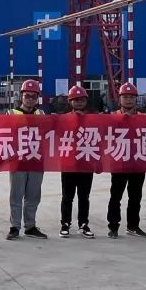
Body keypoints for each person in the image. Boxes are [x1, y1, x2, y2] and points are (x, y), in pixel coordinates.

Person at [107, 82, 146, 238]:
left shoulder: (144, 117)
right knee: (115, 196)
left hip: (138, 162)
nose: (129, 100)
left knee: (135, 197)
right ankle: (113, 227)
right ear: (120, 99)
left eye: (131, 97)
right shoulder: (112, 117)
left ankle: (133, 226)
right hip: (119, 162)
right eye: (125, 97)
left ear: (136, 99)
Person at [7, 79, 48, 241]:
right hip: (18, 161)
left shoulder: (42, 115)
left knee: (33, 196)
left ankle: (30, 226)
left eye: (33, 96)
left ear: (37, 98)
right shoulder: (11, 114)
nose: (30, 99)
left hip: (36, 160)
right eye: (27, 96)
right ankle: (14, 227)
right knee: (16, 196)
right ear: (21, 96)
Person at [59, 84, 95, 239]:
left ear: (86, 101)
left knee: (84, 196)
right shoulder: (63, 119)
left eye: (81, 100)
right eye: (76, 100)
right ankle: (65, 223)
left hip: (86, 163)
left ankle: (83, 224)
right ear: (70, 102)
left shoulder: (93, 119)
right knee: (67, 196)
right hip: (69, 163)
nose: (79, 102)